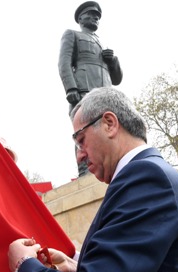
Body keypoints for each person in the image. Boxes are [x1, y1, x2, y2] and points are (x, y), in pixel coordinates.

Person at [8, 87, 178, 272]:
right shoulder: (148, 177)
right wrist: (76, 265)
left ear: (109, 124)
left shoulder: (146, 179)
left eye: (81, 140)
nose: (80, 155)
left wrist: (24, 265)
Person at [58, 1, 123, 177]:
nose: (95, 18)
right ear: (80, 18)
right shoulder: (72, 34)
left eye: (97, 17)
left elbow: (117, 79)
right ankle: (85, 169)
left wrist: (113, 61)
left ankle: (113, 164)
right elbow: (64, 63)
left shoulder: (102, 44)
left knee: (110, 129)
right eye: (91, 15)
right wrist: (71, 88)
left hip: (107, 94)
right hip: (83, 90)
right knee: (84, 131)